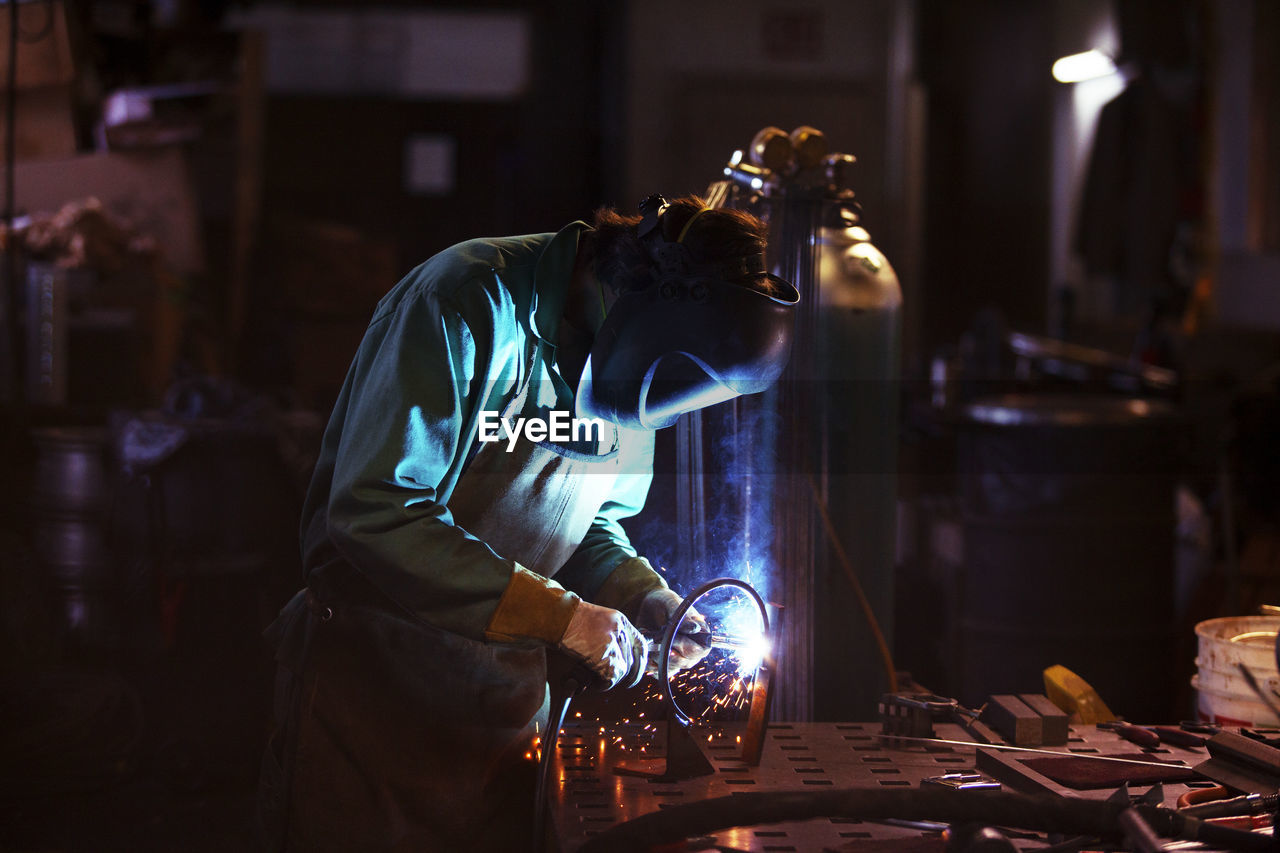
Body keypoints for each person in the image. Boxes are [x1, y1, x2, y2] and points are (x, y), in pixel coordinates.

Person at [257, 194, 798, 852]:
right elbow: (375, 510)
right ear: (641, 315)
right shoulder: (465, 300)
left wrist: (641, 595)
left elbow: (589, 528)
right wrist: (565, 618)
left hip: (504, 720)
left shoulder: (636, 377)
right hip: (372, 705)